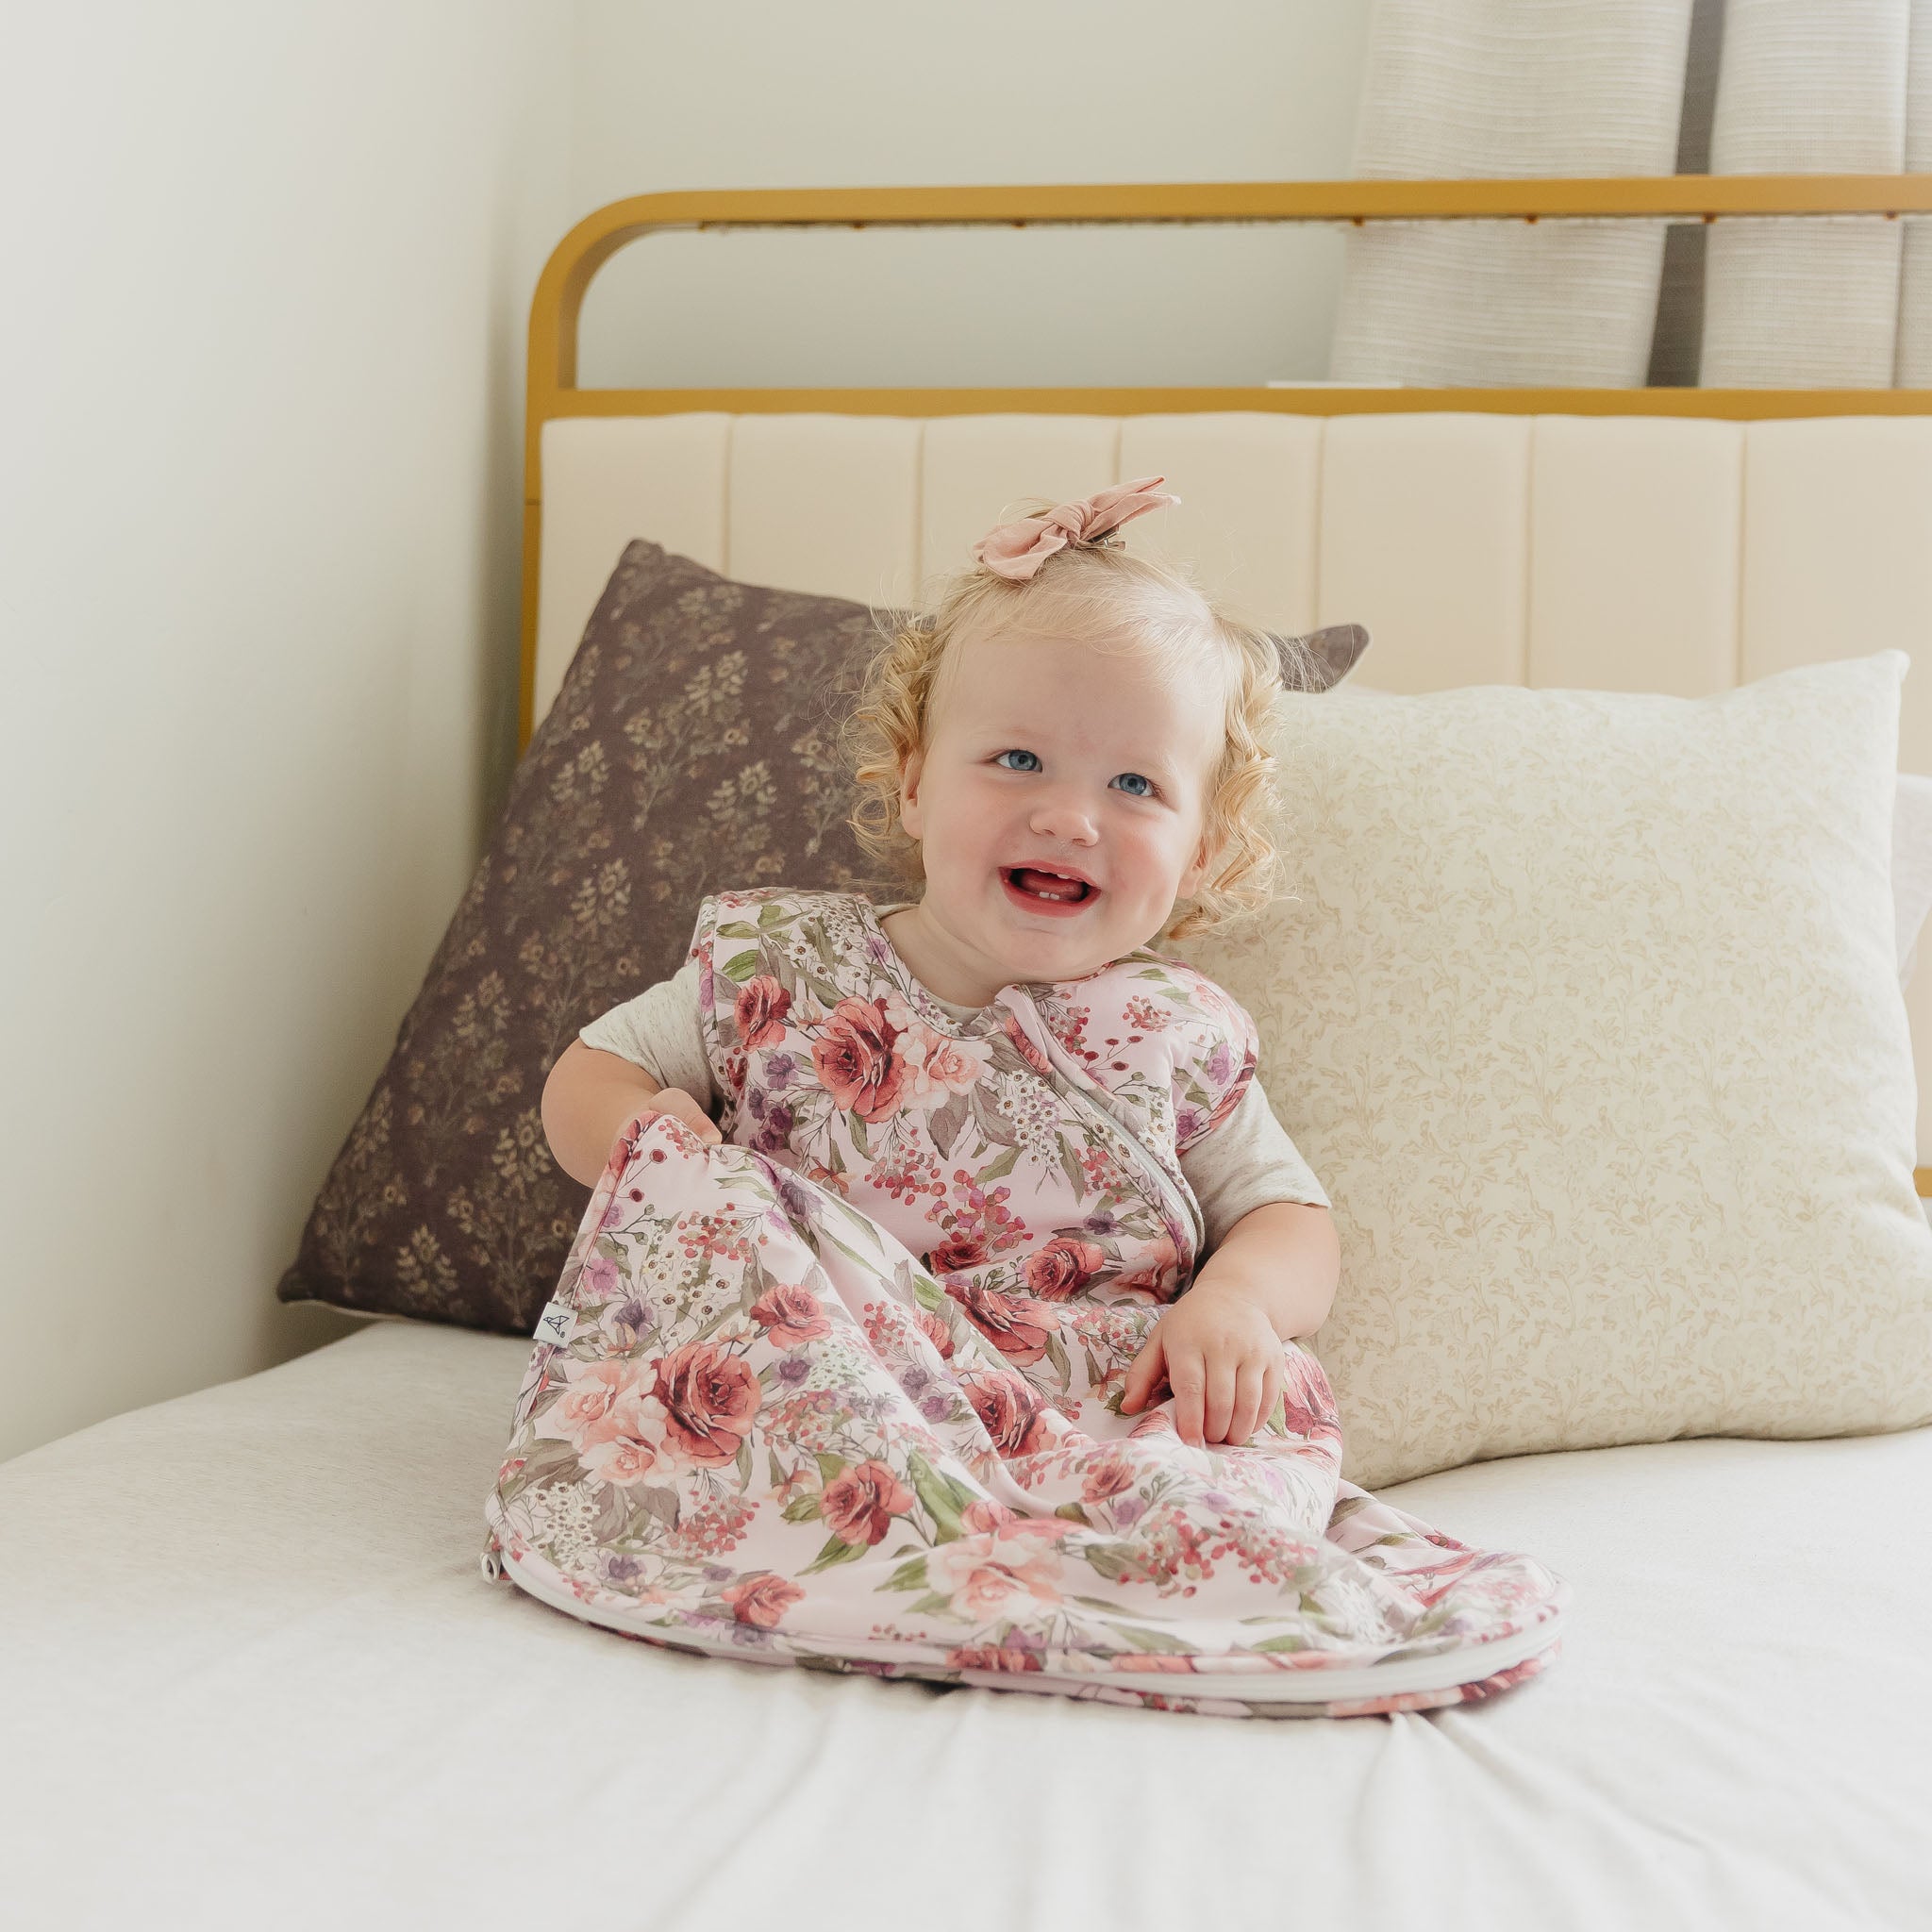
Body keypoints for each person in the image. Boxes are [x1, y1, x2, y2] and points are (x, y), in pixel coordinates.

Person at [540, 477, 1340, 1450]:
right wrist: (646, 1137)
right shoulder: (783, 969)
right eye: (1017, 760)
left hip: (1086, 1407)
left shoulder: (1175, 1032)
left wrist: (1238, 1299)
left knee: (1220, 1470)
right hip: (812, 1387)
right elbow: (590, 1073)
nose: (1068, 817)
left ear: (1200, 853)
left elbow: (1287, 1216)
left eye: (1134, 783)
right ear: (914, 782)